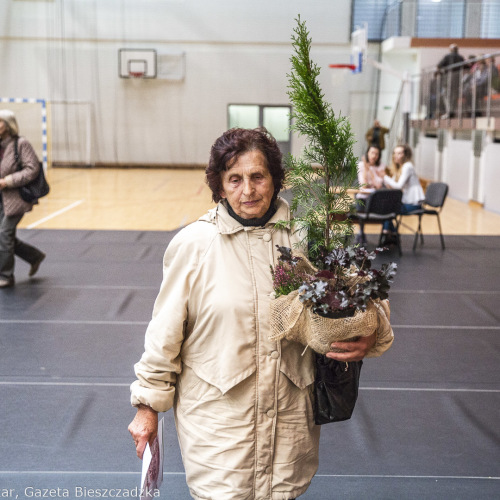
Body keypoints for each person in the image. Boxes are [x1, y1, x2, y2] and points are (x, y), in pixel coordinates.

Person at [128, 127, 388, 499]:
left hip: (289, 426)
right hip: (219, 430)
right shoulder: (193, 246)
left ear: (276, 180)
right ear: (218, 185)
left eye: (257, 177)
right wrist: (147, 407)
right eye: (234, 179)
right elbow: (163, 335)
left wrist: (370, 330)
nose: (247, 191)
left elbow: (364, 298)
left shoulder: (307, 239)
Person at [0, 109, 46, 288]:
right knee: (4, 236)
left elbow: (32, 169)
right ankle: (33, 256)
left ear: (8, 124)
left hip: (16, 198)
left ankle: (5, 276)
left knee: (4, 234)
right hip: (1, 198)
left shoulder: (21, 144)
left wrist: (7, 181)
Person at [382, 144, 425, 243]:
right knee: (385, 207)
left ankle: (388, 233)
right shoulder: (399, 168)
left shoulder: (407, 166)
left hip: (414, 204)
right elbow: (392, 186)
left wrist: (384, 177)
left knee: (387, 209)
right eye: (395, 153)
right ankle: (392, 234)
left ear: (405, 155)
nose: (396, 155)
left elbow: (398, 186)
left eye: (399, 153)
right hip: (407, 202)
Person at [355, 145, 386, 244]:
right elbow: (363, 185)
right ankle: (361, 232)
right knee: (360, 201)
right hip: (363, 197)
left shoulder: (381, 166)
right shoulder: (360, 165)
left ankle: (386, 233)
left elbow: (378, 185)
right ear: (367, 153)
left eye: (377, 154)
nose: (374, 156)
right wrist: (365, 168)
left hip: (376, 199)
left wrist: (370, 170)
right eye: (372, 153)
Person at [437, 44, 464, 118]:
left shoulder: (447, 56)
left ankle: (449, 111)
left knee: (447, 95)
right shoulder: (461, 57)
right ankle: (451, 112)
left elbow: (439, 65)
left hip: (448, 79)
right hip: (457, 79)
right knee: (454, 96)